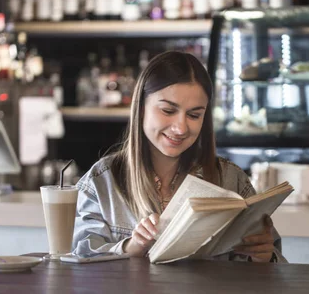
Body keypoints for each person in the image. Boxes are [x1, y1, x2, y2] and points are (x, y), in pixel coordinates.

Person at [72, 51, 286, 263]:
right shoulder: (101, 181)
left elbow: (275, 270)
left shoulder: (232, 179)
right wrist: (131, 247)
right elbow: (79, 267)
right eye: (167, 110)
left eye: (194, 115)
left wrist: (263, 257)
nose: (180, 128)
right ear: (141, 107)